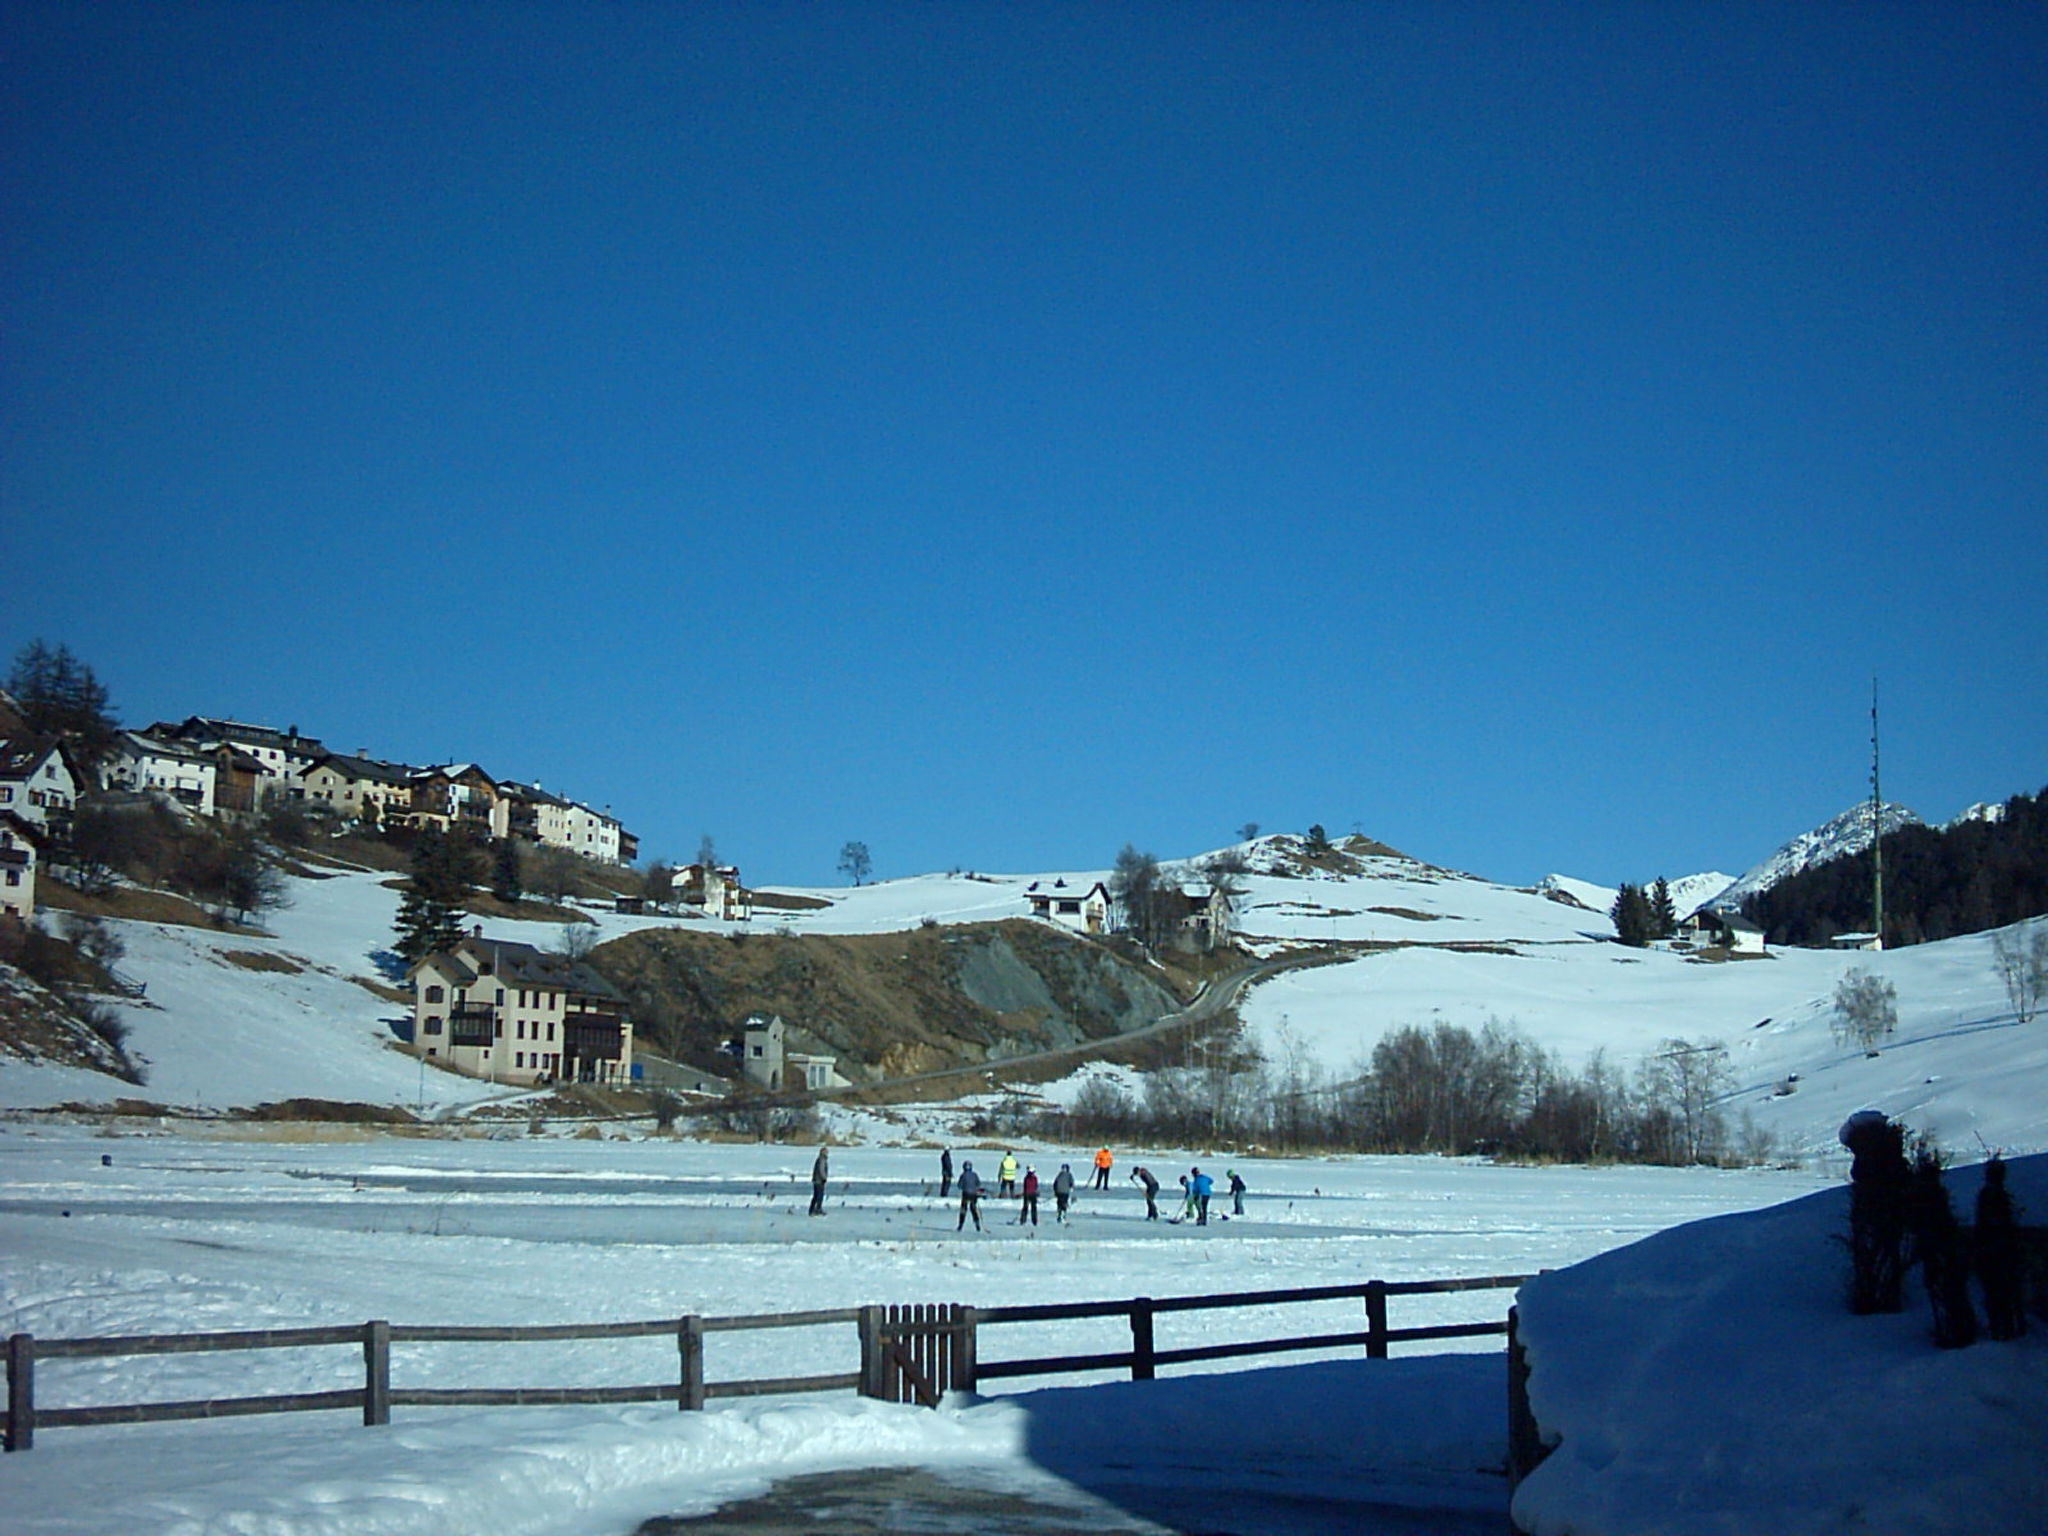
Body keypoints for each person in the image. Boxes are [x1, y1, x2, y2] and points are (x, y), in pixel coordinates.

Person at [956, 1160, 984, 1231]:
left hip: (966, 1194)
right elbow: (978, 1184)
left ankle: (960, 1225)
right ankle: (977, 1224)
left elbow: (959, 1185)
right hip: (973, 1195)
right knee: (973, 1209)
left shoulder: (963, 1175)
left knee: (963, 1209)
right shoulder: (974, 1175)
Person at [809, 1146, 829, 1217]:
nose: (827, 1153)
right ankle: (817, 1209)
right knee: (819, 1196)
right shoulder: (822, 1160)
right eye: (826, 1152)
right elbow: (821, 1170)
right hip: (819, 1180)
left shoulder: (820, 1159)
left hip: (816, 1180)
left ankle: (812, 1210)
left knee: (816, 1196)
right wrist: (824, 1178)